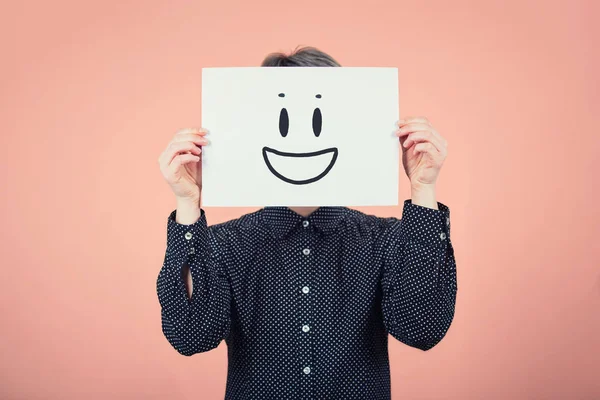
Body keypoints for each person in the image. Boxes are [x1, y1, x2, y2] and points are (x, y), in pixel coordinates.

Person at [156, 46, 457, 400]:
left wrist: (423, 189)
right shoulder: (222, 244)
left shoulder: (386, 239)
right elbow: (191, 335)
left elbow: (422, 328)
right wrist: (187, 202)